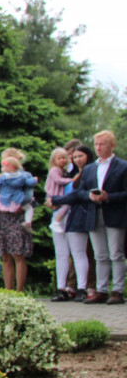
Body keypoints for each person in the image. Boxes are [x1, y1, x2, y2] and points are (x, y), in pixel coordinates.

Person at [64, 130, 127, 304]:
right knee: (100, 255)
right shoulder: (91, 168)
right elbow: (81, 192)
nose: (99, 148)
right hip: (94, 213)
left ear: (112, 145)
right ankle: (101, 290)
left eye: (103, 144)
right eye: (97, 144)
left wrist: (109, 197)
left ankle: (118, 290)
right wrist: (90, 196)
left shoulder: (122, 166)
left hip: (114, 213)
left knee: (116, 253)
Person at [50, 145, 95, 302]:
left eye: (79, 156)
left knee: (79, 252)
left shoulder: (88, 173)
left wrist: (56, 200)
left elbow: (77, 195)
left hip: (76, 215)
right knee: (61, 254)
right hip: (59, 216)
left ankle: (82, 288)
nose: (76, 159)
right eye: (73, 157)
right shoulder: (65, 173)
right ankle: (61, 288)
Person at [0, 156, 37, 293]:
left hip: (18, 216)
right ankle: (8, 290)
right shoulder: (2, 177)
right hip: (3, 217)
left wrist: (17, 205)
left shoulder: (25, 176)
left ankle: (19, 291)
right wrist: (3, 205)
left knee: (18, 253)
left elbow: (29, 196)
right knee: (5, 255)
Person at [45, 148, 77, 301]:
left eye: (65, 158)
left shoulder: (67, 173)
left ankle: (77, 287)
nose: (63, 160)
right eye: (59, 158)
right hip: (57, 203)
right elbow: (57, 185)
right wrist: (72, 180)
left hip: (68, 211)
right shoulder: (56, 173)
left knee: (76, 253)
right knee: (61, 253)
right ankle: (61, 287)